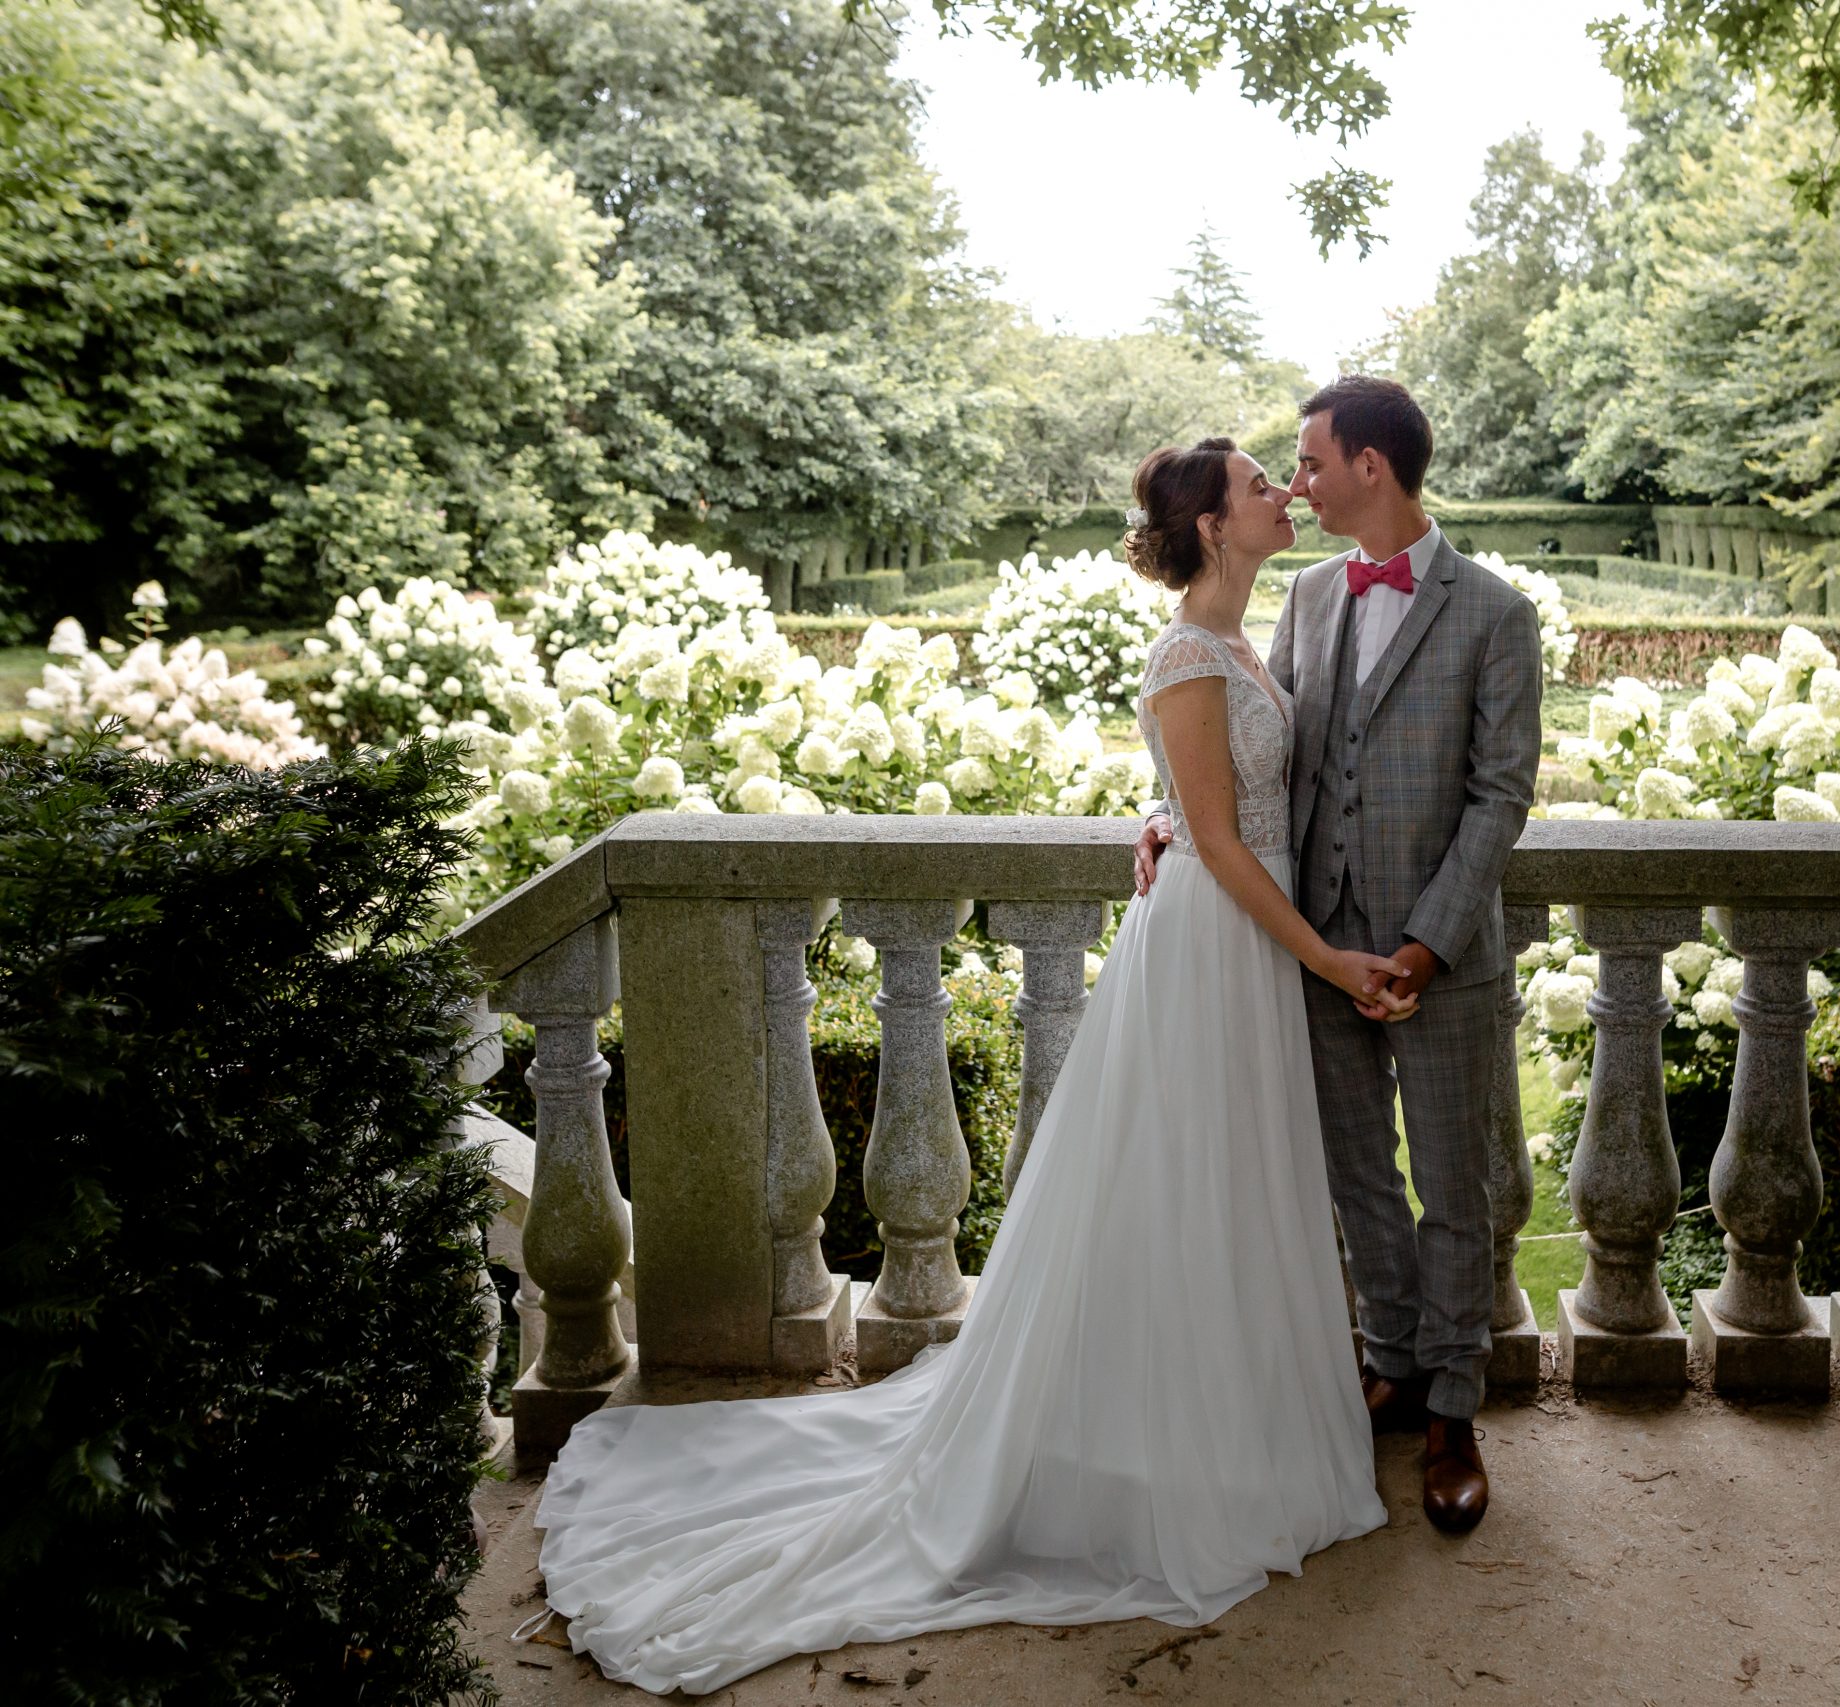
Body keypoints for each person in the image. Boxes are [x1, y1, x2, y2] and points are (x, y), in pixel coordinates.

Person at [527, 437, 1415, 1695]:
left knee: (1233, 1193)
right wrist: (1324, 956)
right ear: (1213, 528)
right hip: (1221, 951)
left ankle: (1231, 1436)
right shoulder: (1185, 652)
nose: (1282, 492)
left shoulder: (1251, 641)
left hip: (1244, 951)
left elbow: (1198, 807)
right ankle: (1160, 1455)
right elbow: (1219, 843)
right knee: (1180, 1188)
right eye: (1258, 483)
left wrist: (1155, 815)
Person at [1135, 375, 1544, 1535]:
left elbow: (1498, 799)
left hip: (1437, 953)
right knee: (1359, 1176)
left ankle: (1455, 1412)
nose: (1299, 483)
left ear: (1372, 465)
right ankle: (1398, 1365)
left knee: (1455, 1187)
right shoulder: (1307, 597)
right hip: (1314, 943)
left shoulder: (1495, 614)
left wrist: (1424, 942)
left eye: (1311, 462)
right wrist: (1167, 815)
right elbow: (1256, 745)